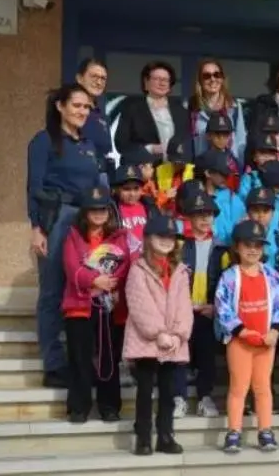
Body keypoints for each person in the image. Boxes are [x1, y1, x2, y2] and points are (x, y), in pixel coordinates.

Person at [27, 83, 101, 389]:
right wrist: (36, 227)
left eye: (87, 107)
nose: (83, 111)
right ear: (60, 106)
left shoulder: (88, 145)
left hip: (87, 221)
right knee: (52, 293)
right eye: (77, 105)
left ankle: (83, 361)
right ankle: (54, 364)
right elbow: (33, 186)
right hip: (57, 219)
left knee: (83, 291)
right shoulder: (43, 141)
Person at [214, 220, 279, 453]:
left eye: (258, 245)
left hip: (266, 342)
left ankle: (265, 431)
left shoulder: (272, 275)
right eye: (248, 244)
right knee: (238, 387)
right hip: (240, 342)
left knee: (263, 387)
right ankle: (233, 431)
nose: (253, 250)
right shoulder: (229, 276)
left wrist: (275, 330)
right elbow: (221, 306)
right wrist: (240, 330)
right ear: (237, 247)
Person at [61, 186, 131, 423]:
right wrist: (94, 280)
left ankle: (109, 406)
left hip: (110, 307)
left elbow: (124, 265)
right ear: (85, 212)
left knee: (109, 358)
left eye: (103, 209)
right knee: (79, 358)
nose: (99, 213)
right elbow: (72, 268)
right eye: (94, 209)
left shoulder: (119, 236)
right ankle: (79, 407)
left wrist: (107, 282)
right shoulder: (73, 235)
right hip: (80, 307)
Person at [123, 215, 191, 456]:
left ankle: (165, 435)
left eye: (170, 237)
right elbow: (139, 304)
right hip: (147, 342)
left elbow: (184, 305)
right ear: (148, 238)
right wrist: (158, 333)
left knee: (168, 392)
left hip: (172, 343)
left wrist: (178, 334)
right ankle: (143, 437)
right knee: (144, 392)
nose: (166, 241)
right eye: (160, 236)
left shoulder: (181, 271)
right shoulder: (138, 269)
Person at [173, 191, 221, 419]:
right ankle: (178, 397)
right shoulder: (180, 246)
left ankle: (205, 396)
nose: (204, 219)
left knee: (206, 356)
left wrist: (216, 307)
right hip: (183, 310)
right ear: (189, 218)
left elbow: (226, 281)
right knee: (180, 355)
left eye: (208, 214)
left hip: (208, 311)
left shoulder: (222, 249)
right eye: (198, 214)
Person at [114, 60, 189, 160]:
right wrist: (151, 149)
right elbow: (121, 144)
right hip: (143, 168)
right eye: (157, 79)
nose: (162, 83)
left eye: (166, 80)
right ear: (146, 82)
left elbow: (188, 141)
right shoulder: (132, 108)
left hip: (176, 170)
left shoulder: (181, 110)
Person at [188, 58, 247, 164]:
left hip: (229, 169)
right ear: (200, 81)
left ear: (223, 78)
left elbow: (241, 142)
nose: (212, 79)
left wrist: (240, 170)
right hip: (201, 168)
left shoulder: (234, 107)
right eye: (206, 76)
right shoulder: (192, 108)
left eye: (217, 74)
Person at [181, 150, 244, 246]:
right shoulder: (192, 195)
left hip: (225, 252)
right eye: (222, 174)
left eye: (227, 174)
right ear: (208, 173)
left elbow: (241, 232)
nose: (226, 177)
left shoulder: (233, 199)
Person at [74, 58, 112, 177]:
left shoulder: (102, 116)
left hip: (100, 178)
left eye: (103, 78)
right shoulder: (70, 110)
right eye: (94, 76)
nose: (99, 82)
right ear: (80, 79)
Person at [110, 163, 158, 251]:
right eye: (126, 189)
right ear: (116, 189)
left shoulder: (150, 206)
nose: (132, 194)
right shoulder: (111, 209)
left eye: (136, 189)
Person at [203, 113, 242, 192]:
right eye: (217, 134)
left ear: (230, 136)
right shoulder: (203, 160)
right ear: (208, 135)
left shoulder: (234, 161)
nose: (221, 138)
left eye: (225, 135)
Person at [154, 138, 195, 214]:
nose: (178, 164)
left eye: (181, 162)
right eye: (174, 161)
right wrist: (165, 195)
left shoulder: (195, 171)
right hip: (165, 212)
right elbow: (154, 199)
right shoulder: (158, 171)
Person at [238, 132, 279, 202]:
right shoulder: (248, 180)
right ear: (254, 157)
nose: (267, 157)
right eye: (263, 153)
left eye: (271, 153)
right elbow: (241, 204)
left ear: (276, 157)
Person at [246, 187, 279, 268]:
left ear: (273, 213)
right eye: (256, 210)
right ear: (248, 212)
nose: (261, 215)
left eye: (265, 211)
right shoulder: (242, 236)